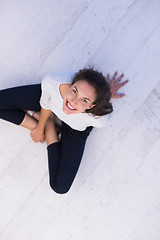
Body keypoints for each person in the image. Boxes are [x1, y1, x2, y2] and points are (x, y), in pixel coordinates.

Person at [0, 67, 128, 194]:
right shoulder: (53, 83)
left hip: (75, 127)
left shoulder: (99, 119)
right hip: (50, 102)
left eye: (84, 100)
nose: (73, 101)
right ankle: (44, 119)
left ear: (91, 106)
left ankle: (50, 123)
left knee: (60, 186)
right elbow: (46, 104)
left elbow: (99, 105)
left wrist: (106, 94)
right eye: (75, 91)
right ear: (71, 84)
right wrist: (38, 129)